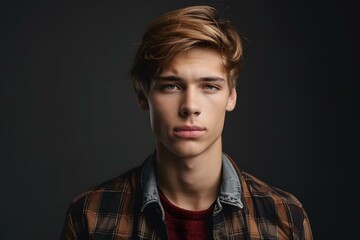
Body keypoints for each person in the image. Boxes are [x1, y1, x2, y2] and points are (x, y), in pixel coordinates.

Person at [61, 5, 313, 240]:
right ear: (142, 95)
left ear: (231, 96)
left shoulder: (284, 217)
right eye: (171, 86)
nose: (190, 106)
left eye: (209, 86)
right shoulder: (90, 217)